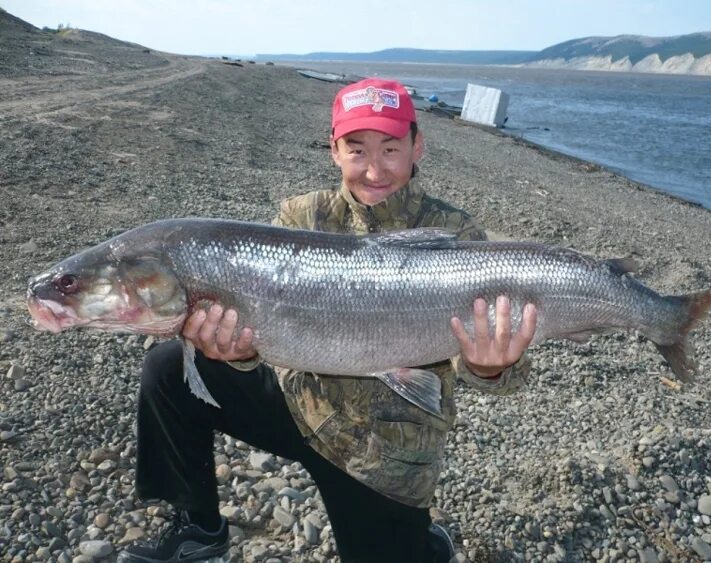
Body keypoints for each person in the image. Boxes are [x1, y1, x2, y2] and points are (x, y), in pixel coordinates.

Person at [119, 78, 537, 563]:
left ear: (417, 145)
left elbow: (496, 374)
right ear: (333, 150)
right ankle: (198, 526)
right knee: (168, 368)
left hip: (387, 448)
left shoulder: (456, 232)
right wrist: (234, 353)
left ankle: (419, 540)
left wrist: (490, 366)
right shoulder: (299, 215)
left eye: (391, 148)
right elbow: (272, 330)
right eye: (356, 149)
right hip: (301, 405)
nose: (375, 168)